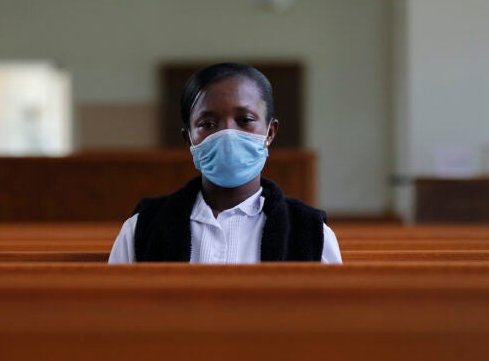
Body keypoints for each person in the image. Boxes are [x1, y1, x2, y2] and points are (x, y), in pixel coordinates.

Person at [109, 62, 341, 263]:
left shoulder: (311, 231)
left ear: (270, 132)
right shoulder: (142, 228)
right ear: (188, 138)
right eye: (208, 124)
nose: (228, 134)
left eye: (245, 120)